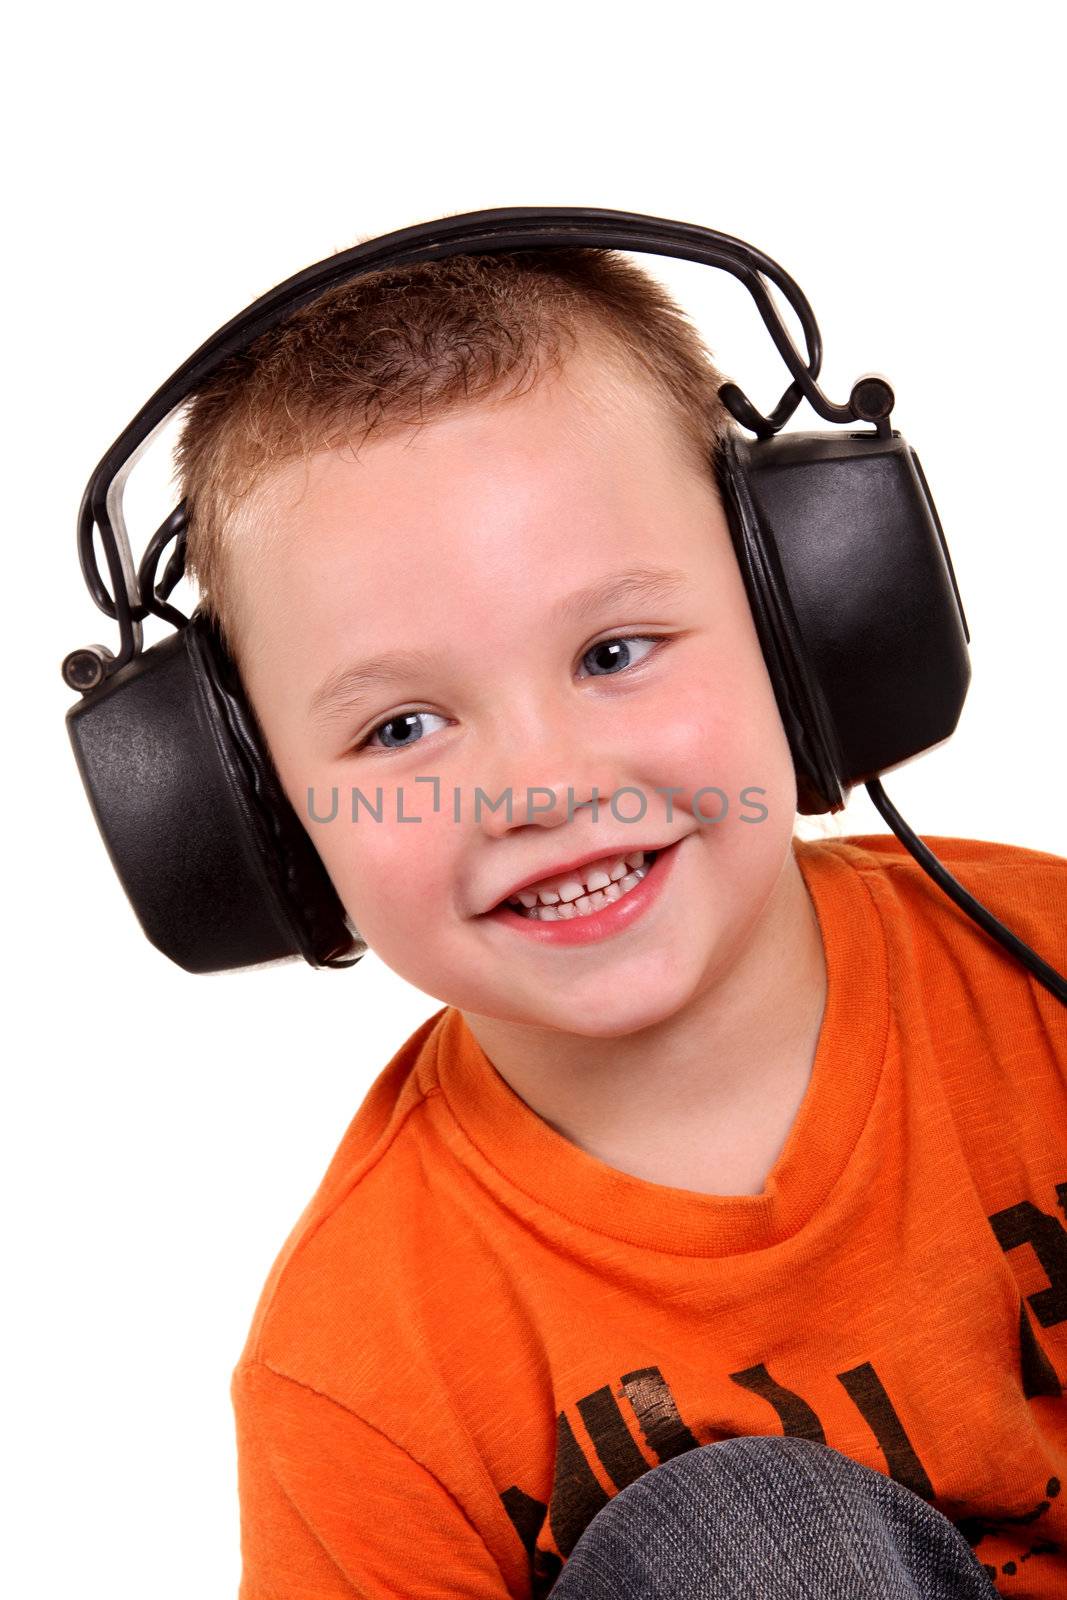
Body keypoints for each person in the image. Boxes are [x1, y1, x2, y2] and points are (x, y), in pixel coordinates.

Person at [174, 248, 1067, 1598]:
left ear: (804, 619)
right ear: (260, 829)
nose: (543, 784)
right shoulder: (359, 1363)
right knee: (750, 1546)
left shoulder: (1043, 972)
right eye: (400, 726)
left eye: (613, 653)